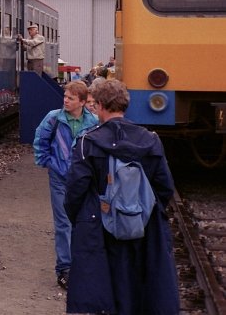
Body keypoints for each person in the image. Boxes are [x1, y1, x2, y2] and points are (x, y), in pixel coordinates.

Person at [64, 80, 179, 314]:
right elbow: (165, 187)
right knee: (139, 285)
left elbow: (75, 189)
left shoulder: (88, 142)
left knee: (103, 287)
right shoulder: (150, 140)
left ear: (102, 105)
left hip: (100, 227)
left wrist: (80, 218)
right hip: (142, 225)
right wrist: (142, 211)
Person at [33, 80, 98, 290]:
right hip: (60, 178)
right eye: (65, 97)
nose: (65, 101)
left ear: (81, 102)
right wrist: (48, 162)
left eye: (70, 98)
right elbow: (40, 140)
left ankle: (83, 267)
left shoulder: (93, 122)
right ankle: (64, 269)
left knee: (83, 222)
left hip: (84, 180)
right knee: (63, 224)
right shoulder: (54, 118)